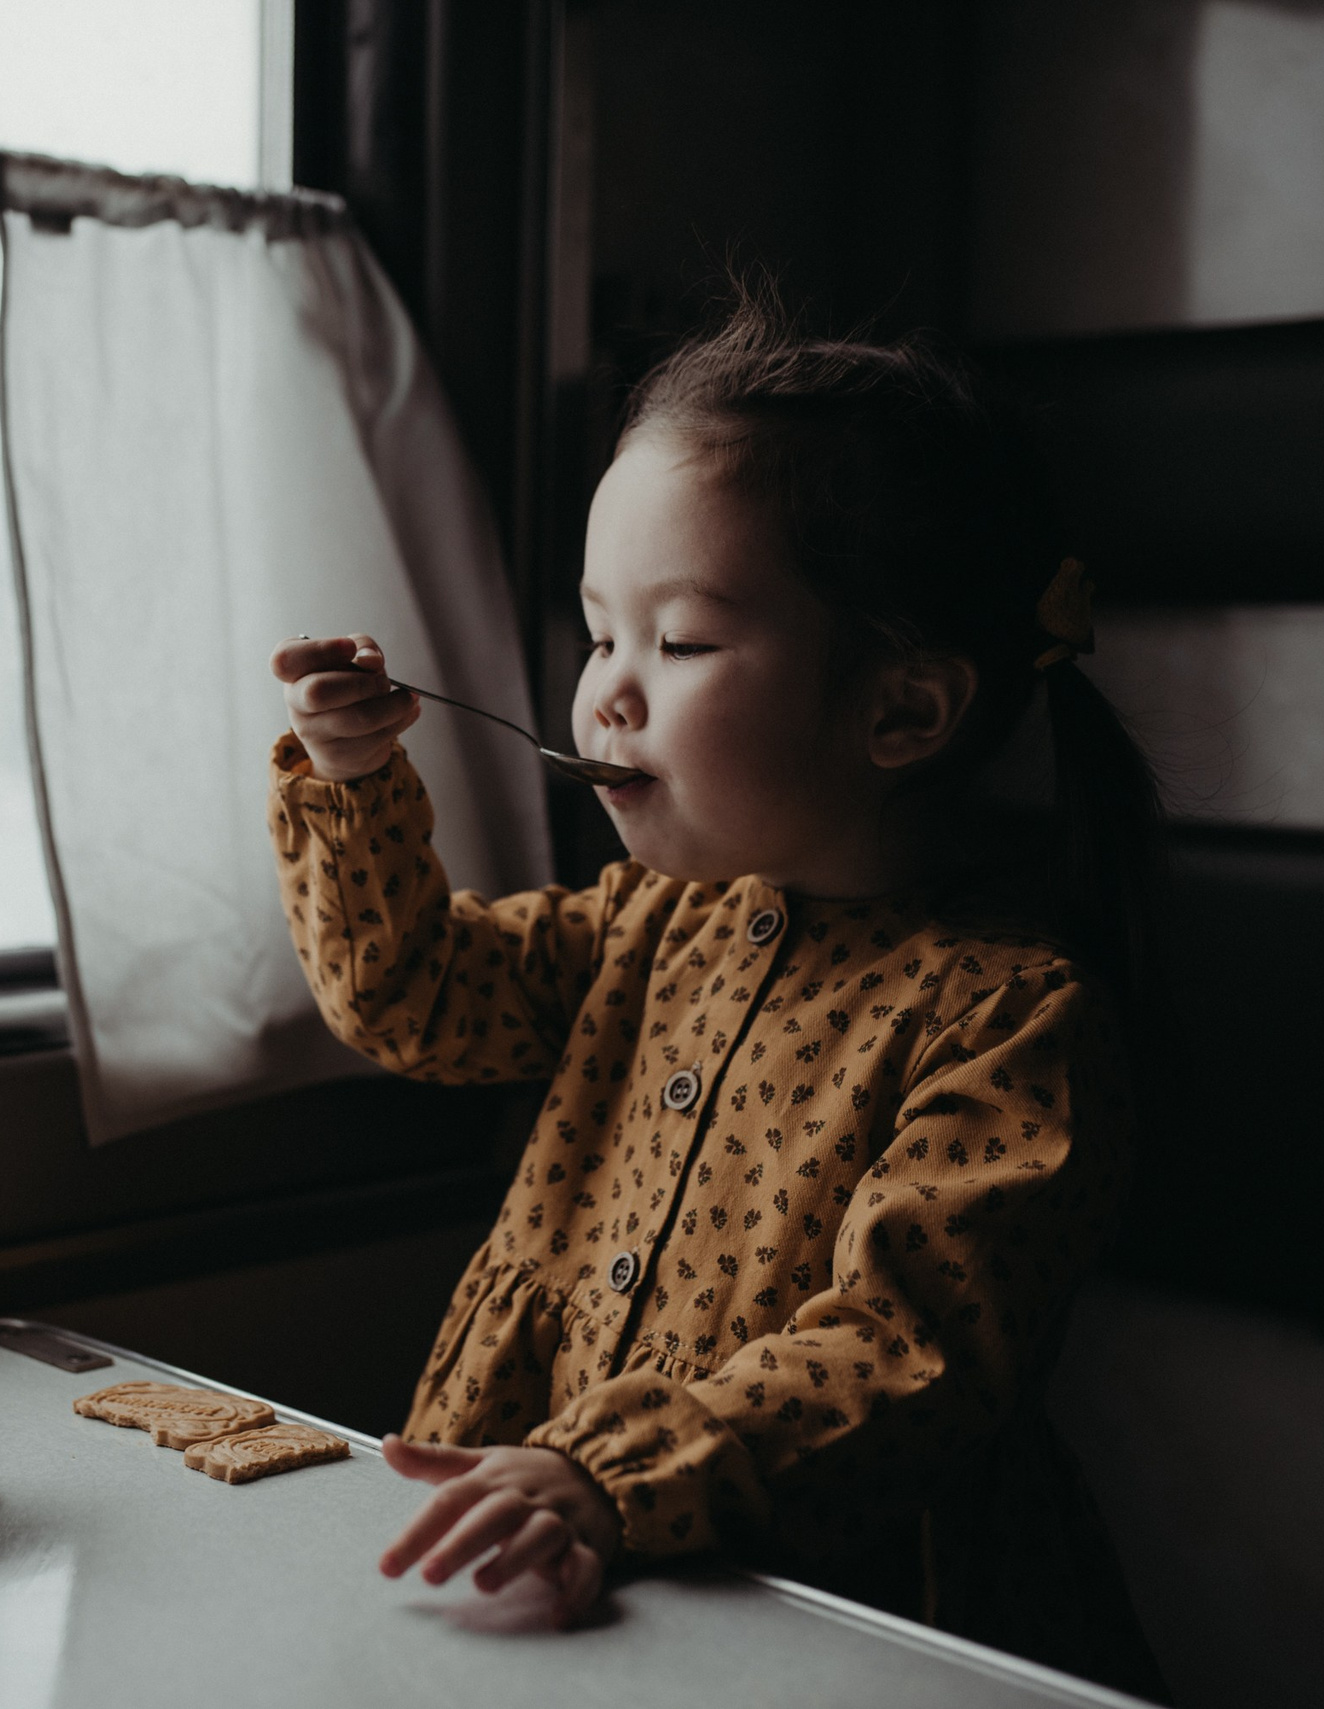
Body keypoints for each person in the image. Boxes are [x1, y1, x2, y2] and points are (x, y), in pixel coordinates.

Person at [266, 290, 1168, 1693]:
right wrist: (358, 788)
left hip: (836, 1613)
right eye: (596, 632)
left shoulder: (1013, 1020)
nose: (607, 693)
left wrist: (619, 1469)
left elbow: (904, 1345)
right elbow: (418, 1000)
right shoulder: (644, 926)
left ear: (903, 711)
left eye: (678, 643)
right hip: (564, 1572)